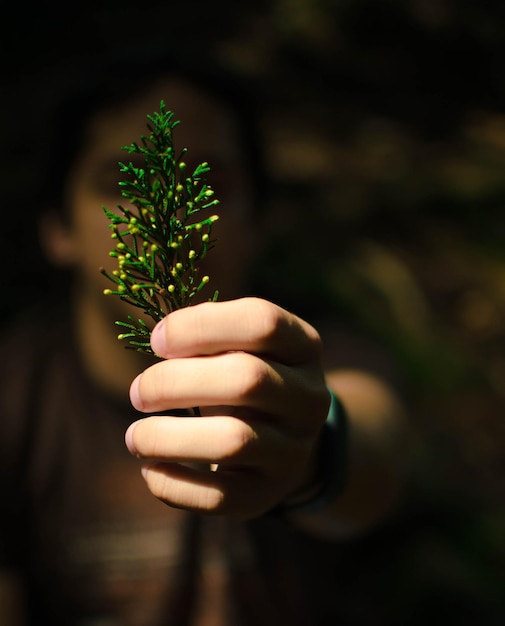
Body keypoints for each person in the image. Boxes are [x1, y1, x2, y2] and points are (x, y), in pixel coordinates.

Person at [0, 47, 409, 625]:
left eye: (207, 179)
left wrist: (313, 450)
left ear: (258, 221)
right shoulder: (16, 400)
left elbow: (373, 443)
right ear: (58, 227)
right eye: (123, 178)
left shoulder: (314, 353)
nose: (166, 209)